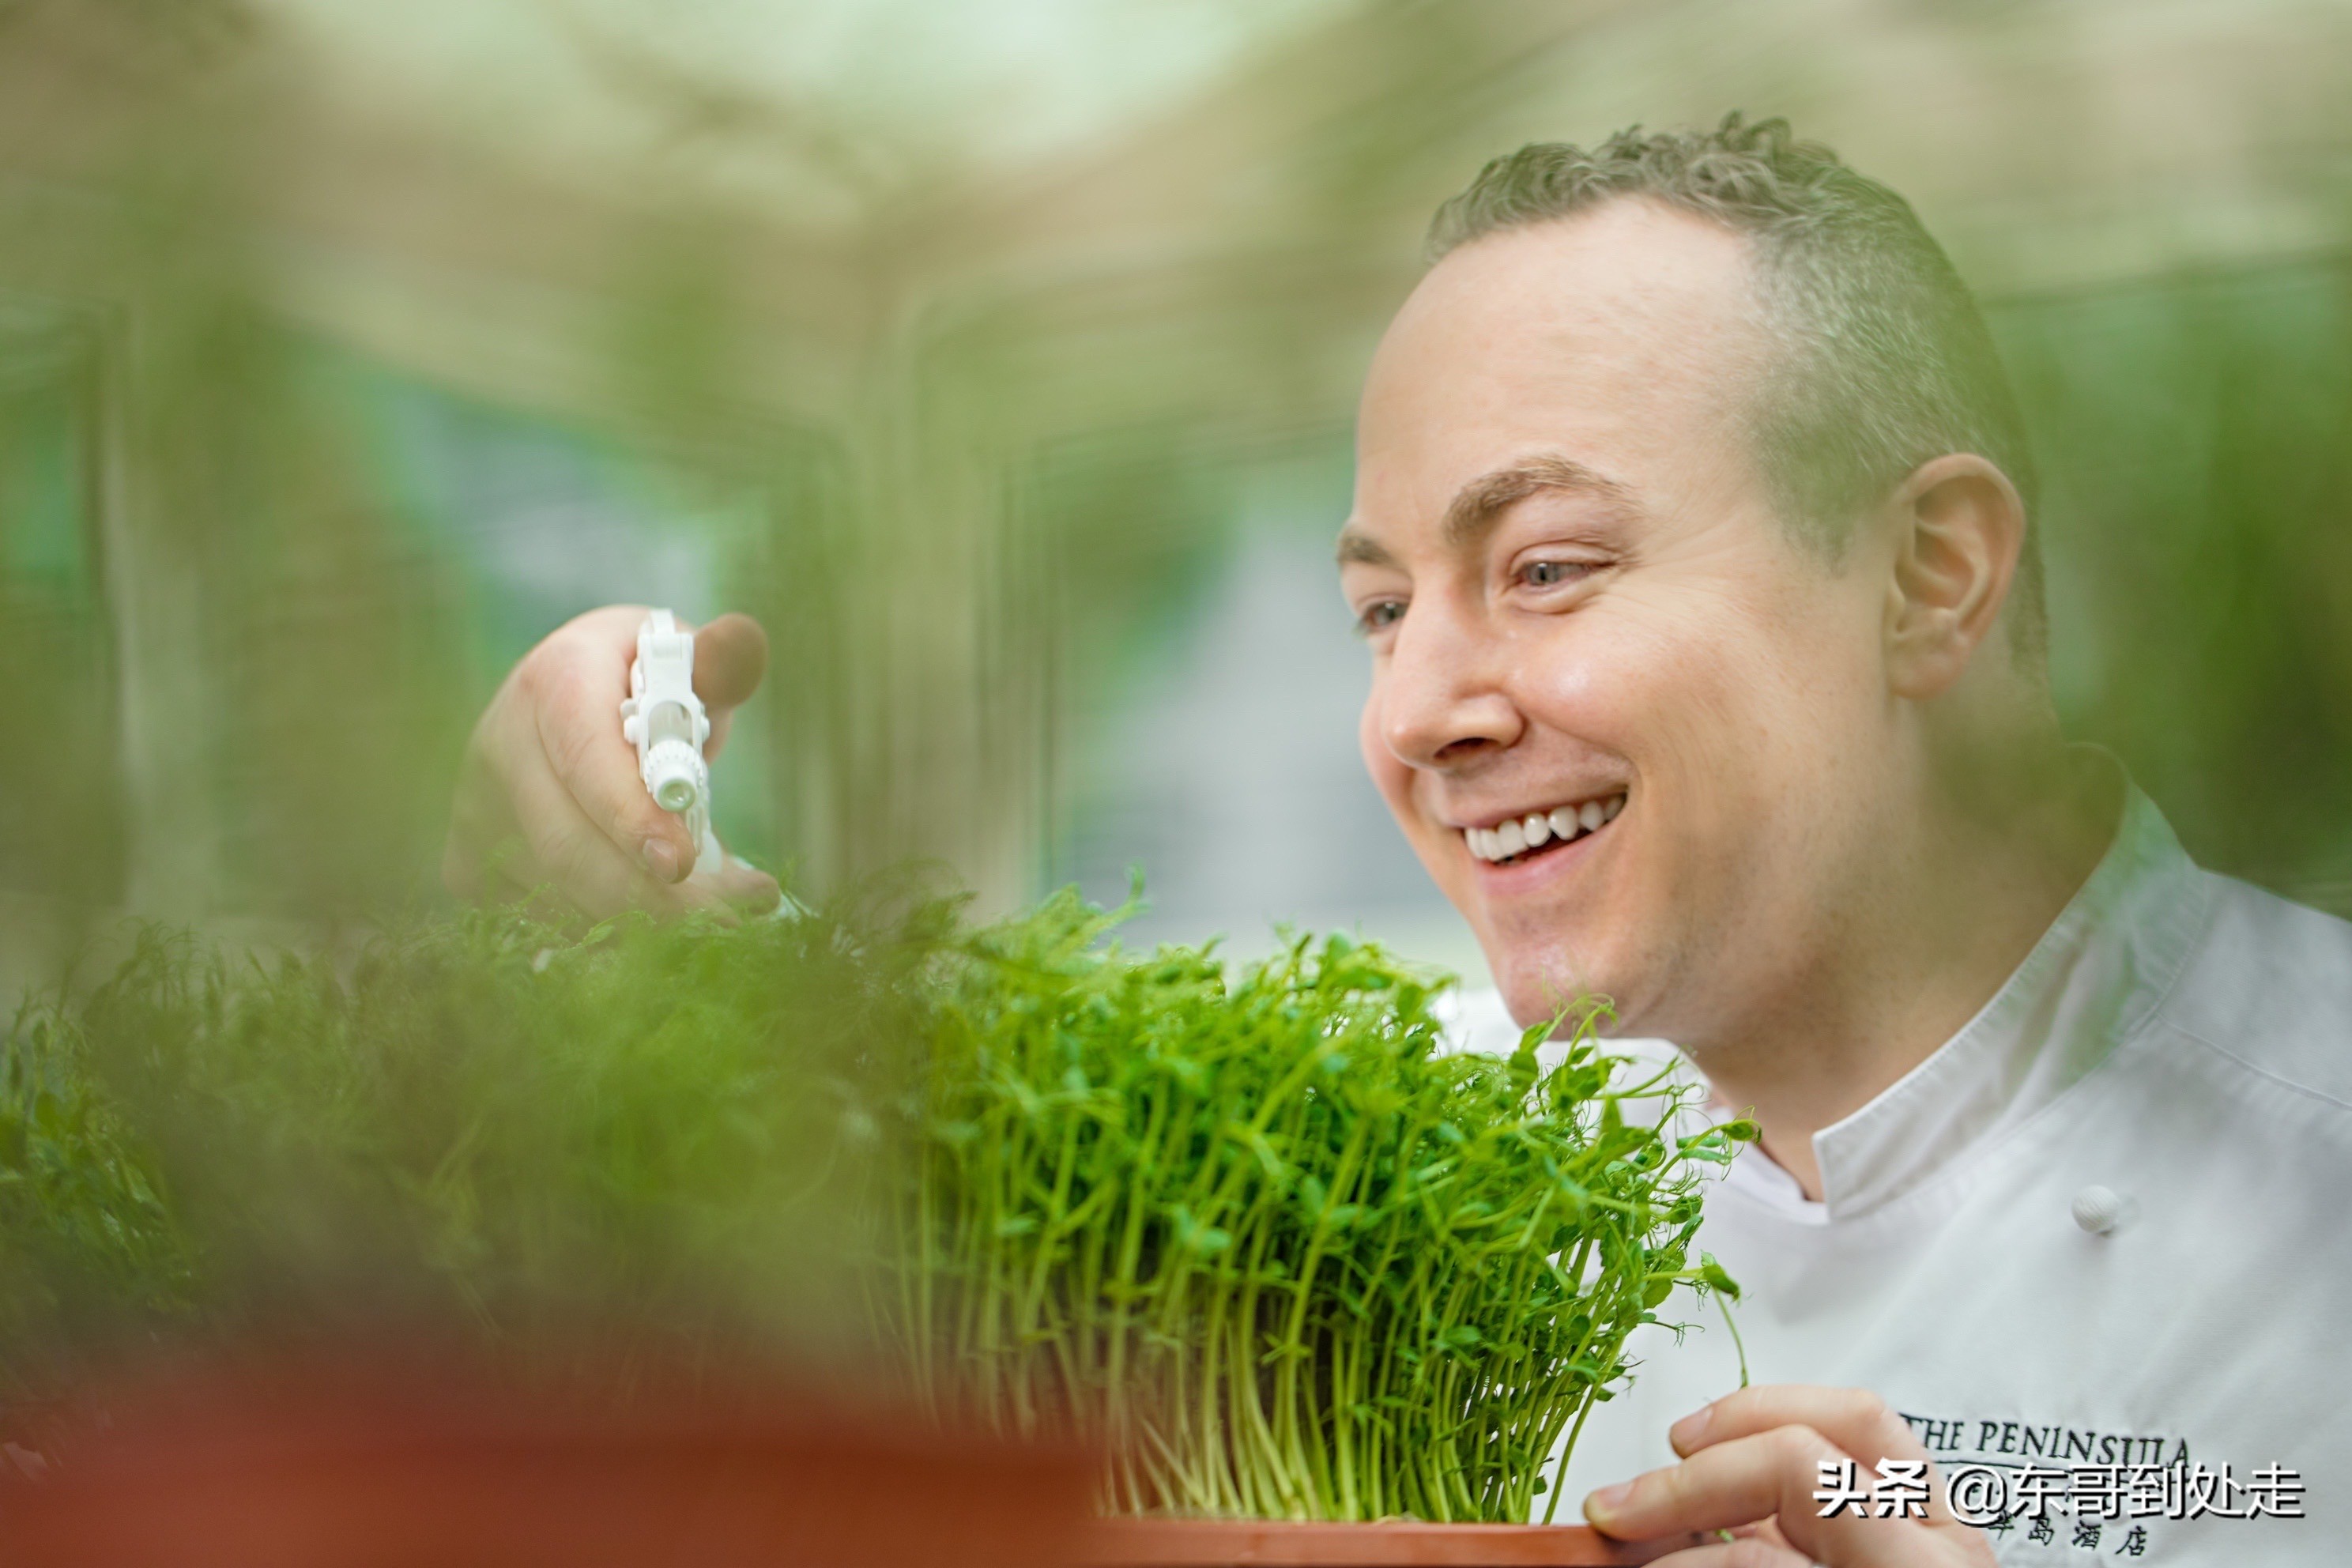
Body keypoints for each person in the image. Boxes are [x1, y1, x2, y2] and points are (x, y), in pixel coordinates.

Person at [443, 115, 2352, 1565]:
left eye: (1544, 566)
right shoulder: (1430, 1153)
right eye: (1381, 607)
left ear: (1928, 577)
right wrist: (607, 903)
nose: (1417, 710)